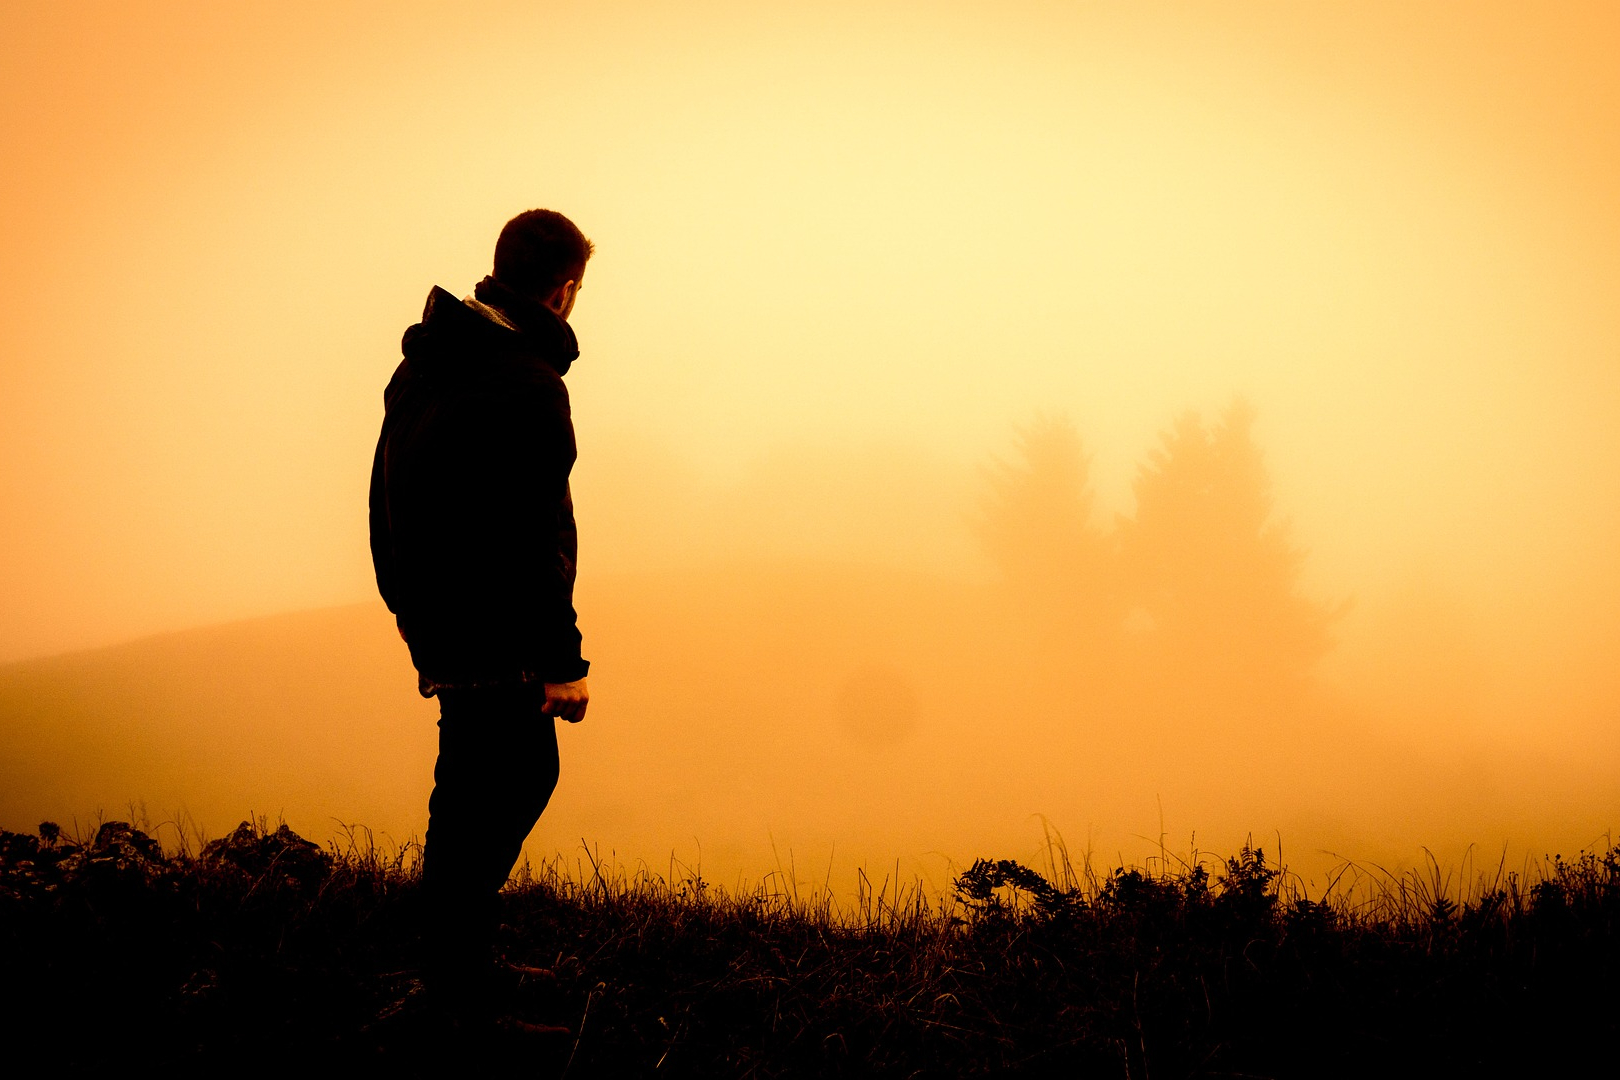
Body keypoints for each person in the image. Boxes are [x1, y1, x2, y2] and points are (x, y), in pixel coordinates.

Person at [368, 209, 593, 1029]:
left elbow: (381, 488)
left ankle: (454, 969)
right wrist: (562, 659)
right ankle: (454, 989)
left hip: (438, 612)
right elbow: (538, 532)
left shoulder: (429, 361)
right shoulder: (529, 384)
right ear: (565, 290)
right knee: (508, 783)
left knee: (469, 785)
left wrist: (402, 601)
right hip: (495, 628)